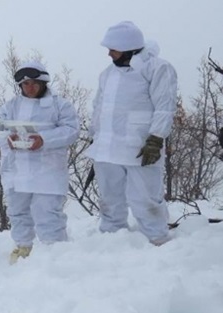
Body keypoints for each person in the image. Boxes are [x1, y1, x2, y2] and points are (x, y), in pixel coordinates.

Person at [85, 21, 178, 245]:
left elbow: (165, 106)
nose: (108, 54)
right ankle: (112, 239)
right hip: (107, 150)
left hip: (141, 148)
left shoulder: (157, 68)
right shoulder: (107, 74)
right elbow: (99, 109)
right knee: (109, 199)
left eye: (112, 49)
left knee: (145, 199)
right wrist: (94, 139)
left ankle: (156, 239)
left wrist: (156, 138)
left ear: (128, 47)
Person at [0, 61, 79, 264]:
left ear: (43, 83)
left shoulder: (60, 105)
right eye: (25, 84)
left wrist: (44, 139)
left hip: (47, 170)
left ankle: (55, 253)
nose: (29, 88)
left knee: (47, 213)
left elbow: (71, 130)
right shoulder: (10, 106)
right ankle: (23, 248)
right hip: (17, 170)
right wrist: (7, 138)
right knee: (18, 212)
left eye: (33, 83)